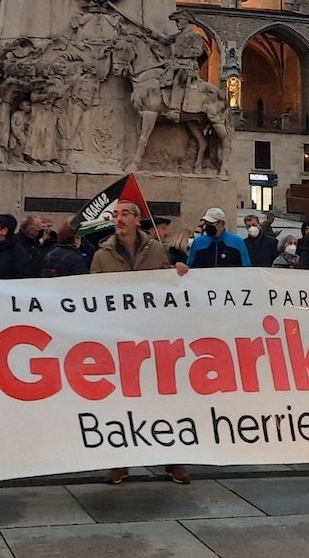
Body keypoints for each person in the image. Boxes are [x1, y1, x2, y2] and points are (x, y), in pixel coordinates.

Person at [90, 200, 189, 485]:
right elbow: (92, 295)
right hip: (118, 339)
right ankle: (121, 461)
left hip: (152, 338)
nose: (118, 219)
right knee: (121, 402)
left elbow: (168, 283)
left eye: (123, 214)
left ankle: (172, 460)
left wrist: (179, 271)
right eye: (115, 215)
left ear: (136, 219)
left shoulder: (156, 250)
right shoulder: (102, 255)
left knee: (162, 399)